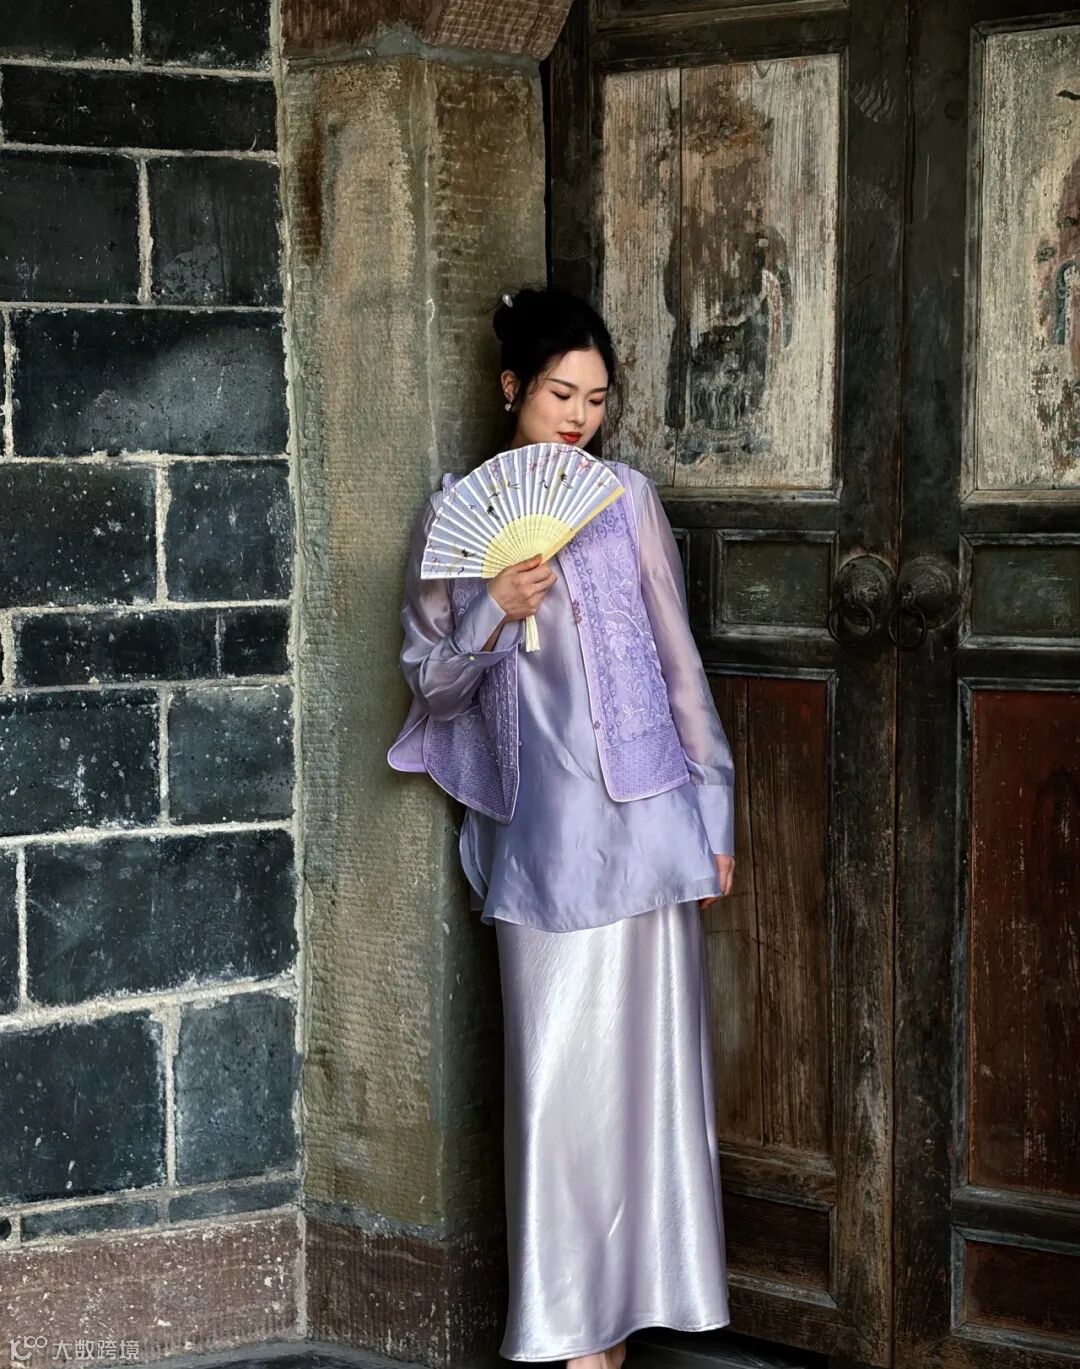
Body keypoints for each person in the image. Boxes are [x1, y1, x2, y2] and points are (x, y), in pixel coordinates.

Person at [387, 286, 736, 1368]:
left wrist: (714, 808)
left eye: (594, 397)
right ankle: (569, 1323)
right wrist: (493, 606)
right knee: (556, 1091)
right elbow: (431, 687)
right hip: (539, 847)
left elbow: (680, 668)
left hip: (647, 828)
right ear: (512, 388)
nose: (579, 417)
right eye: (558, 394)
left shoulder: (626, 501)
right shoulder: (458, 517)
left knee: (647, 1089)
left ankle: (618, 1331)